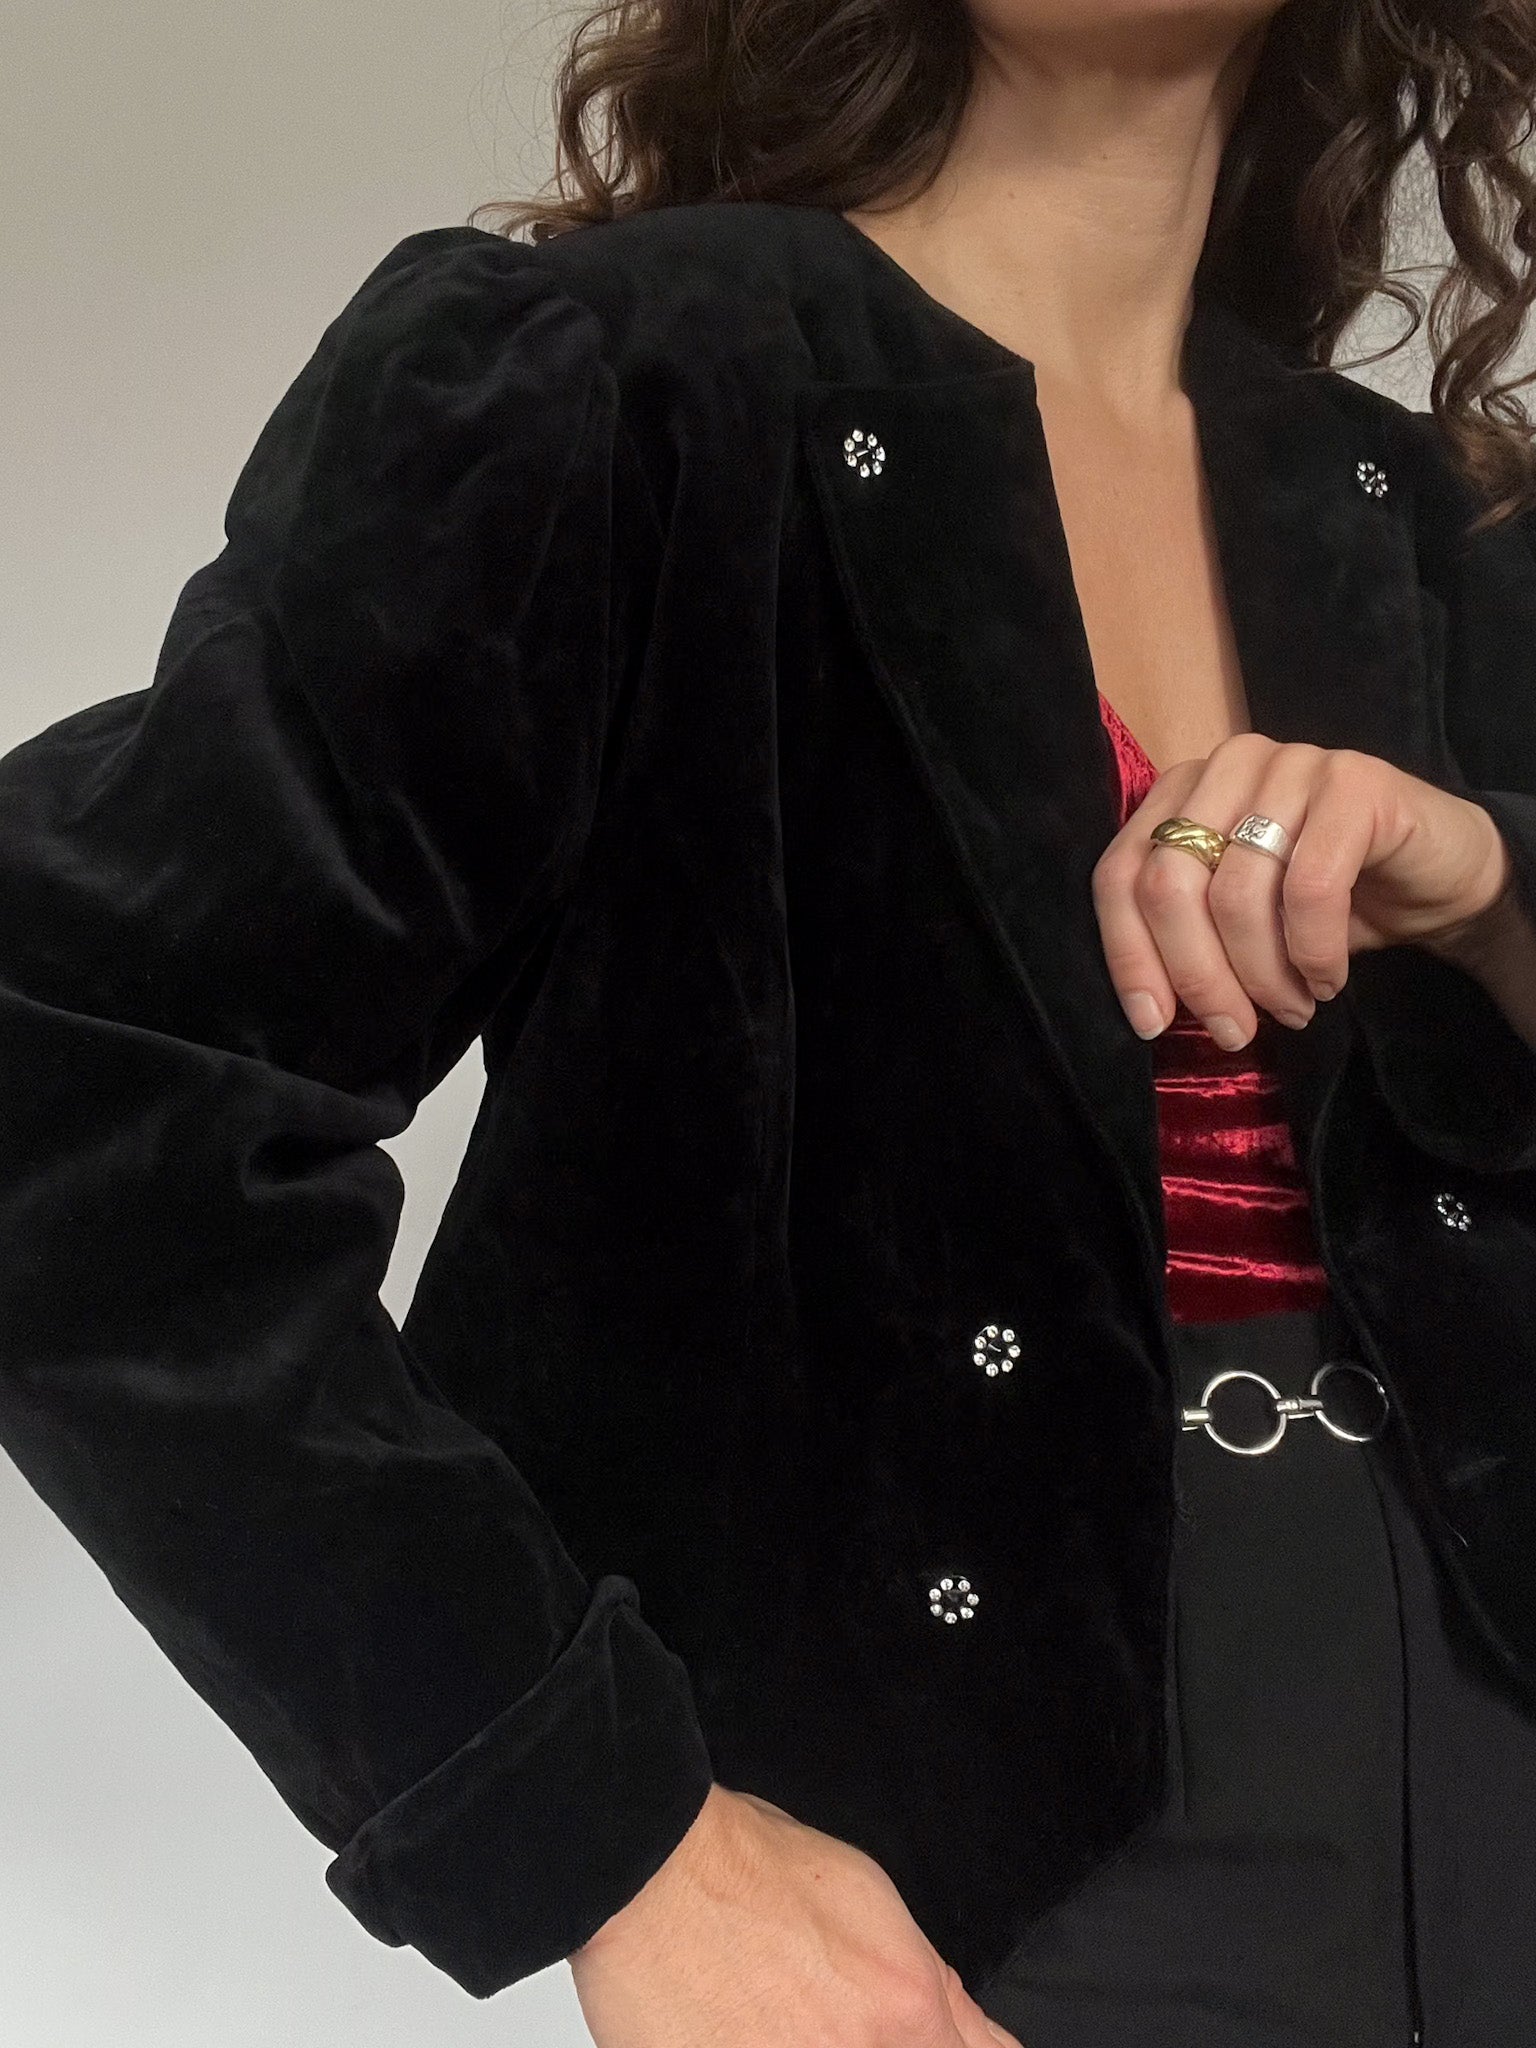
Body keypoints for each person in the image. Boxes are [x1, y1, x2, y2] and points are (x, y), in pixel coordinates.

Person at [4, 1, 1536, 2043]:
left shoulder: (1419, 516)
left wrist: (1498, 894)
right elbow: (67, 1074)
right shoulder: (621, 387)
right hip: (991, 1894)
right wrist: (601, 1829)